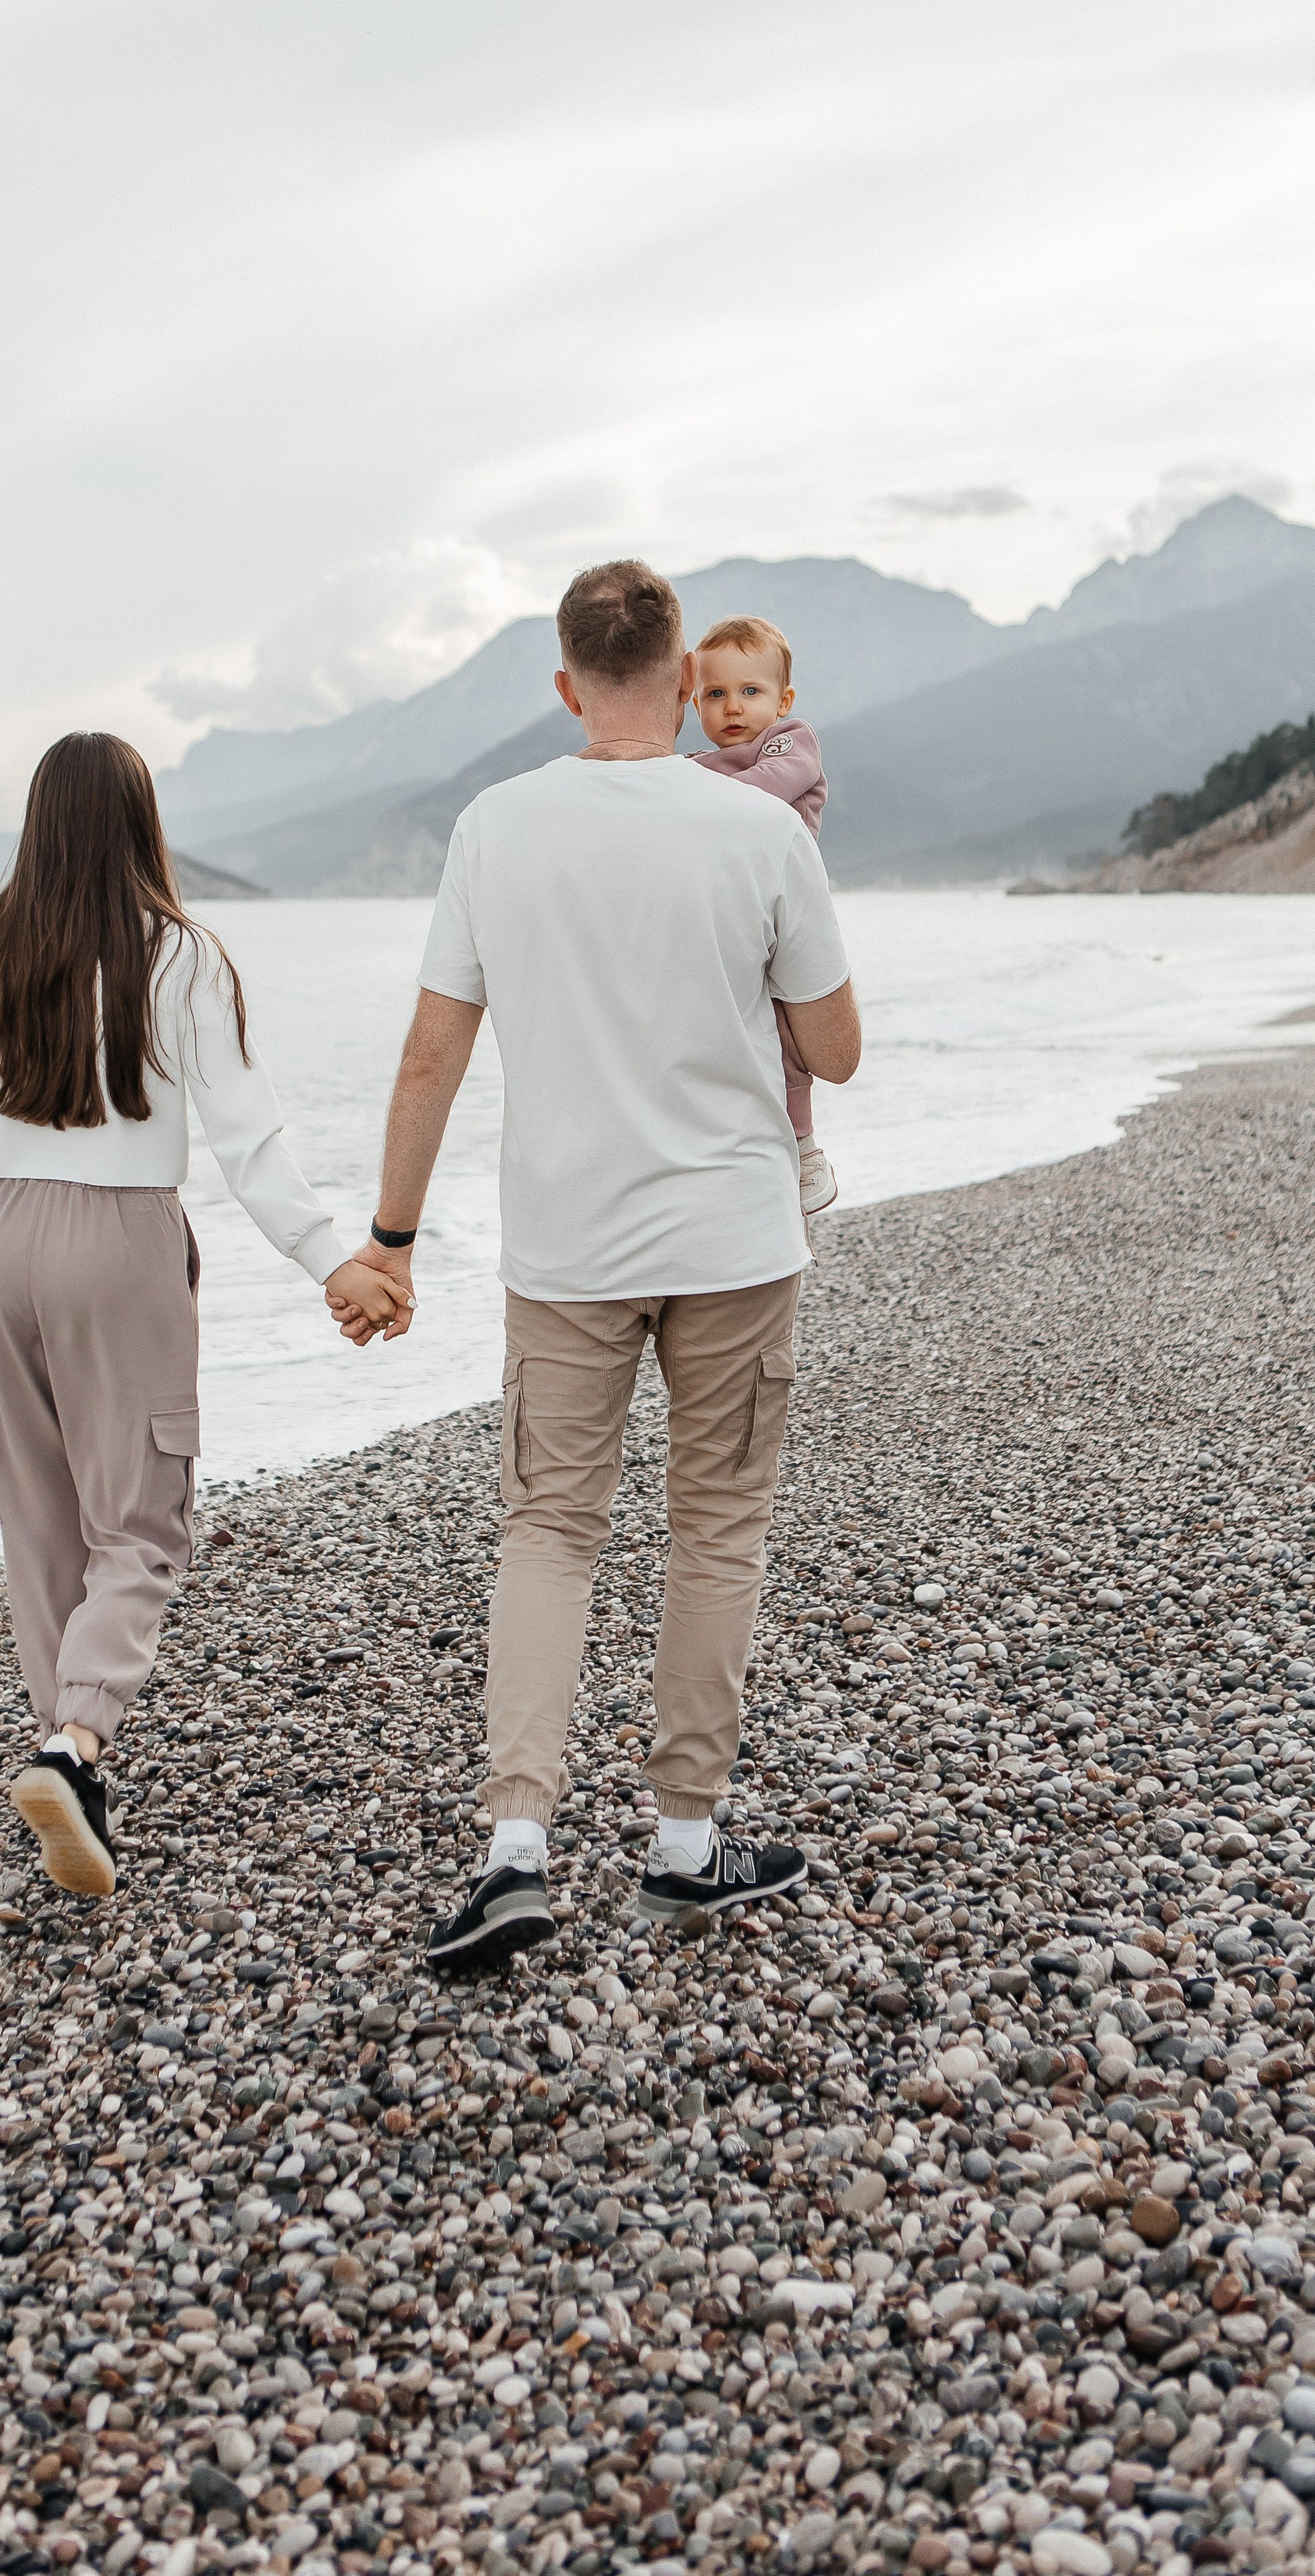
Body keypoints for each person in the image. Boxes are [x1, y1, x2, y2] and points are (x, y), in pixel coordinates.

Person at [328, 560, 862, 1973]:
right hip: (737, 1237)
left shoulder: (499, 826)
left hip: (567, 1247)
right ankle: (687, 1847)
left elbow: (433, 1050)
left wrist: (391, 1237)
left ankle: (516, 1845)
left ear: (567, 686)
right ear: (688, 680)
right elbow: (840, 1051)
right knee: (717, 1527)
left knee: (549, 1527)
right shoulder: (760, 829)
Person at [0, 731, 406, 1902]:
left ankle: (73, 1764)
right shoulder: (183, 954)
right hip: (121, 1245)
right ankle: (74, 1742)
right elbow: (249, 1136)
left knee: (41, 1519)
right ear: (143, 825)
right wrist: (331, 1262)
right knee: (143, 1523)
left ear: (37, 823)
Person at [688, 616, 837, 1214]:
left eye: (750, 692)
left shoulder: (790, 741)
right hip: (736, 912)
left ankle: (804, 1147)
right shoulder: (697, 765)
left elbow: (772, 787)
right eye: (716, 694)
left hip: (786, 910)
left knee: (786, 1033)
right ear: (695, 700)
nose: (733, 708)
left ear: (783, 700)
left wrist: (686, 795)